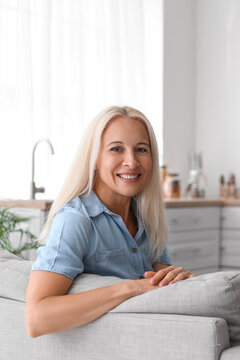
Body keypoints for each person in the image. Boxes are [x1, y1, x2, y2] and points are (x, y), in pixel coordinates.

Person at [25, 105, 194, 338]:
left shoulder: (147, 216)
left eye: (141, 149)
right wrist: (132, 287)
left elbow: (162, 278)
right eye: (116, 149)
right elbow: (36, 318)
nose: (132, 162)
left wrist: (182, 281)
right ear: (94, 158)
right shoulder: (75, 220)